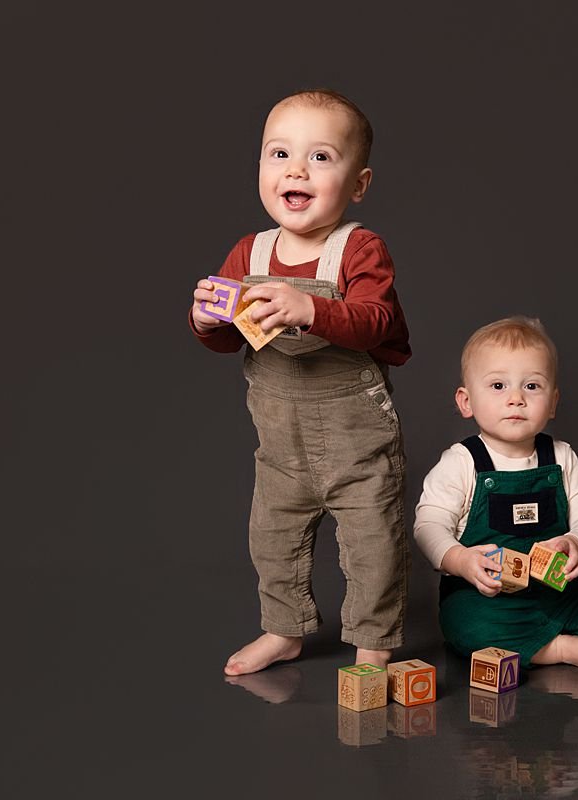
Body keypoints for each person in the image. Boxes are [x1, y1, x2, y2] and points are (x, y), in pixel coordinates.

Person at [190, 89, 410, 676]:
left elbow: (378, 321)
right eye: (279, 153)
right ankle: (283, 630)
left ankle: (373, 640)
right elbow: (227, 339)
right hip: (280, 447)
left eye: (320, 158)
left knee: (372, 544)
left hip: (356, 444)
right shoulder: (250, 251)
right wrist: (206, 320)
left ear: (358, 183)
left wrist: (309, 309)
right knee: (272, 539)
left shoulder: (358, 248)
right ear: (260, 169)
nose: (295, 169)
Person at [413, 316, 578, 692]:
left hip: (560, 596)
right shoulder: (461, 462)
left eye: (532, 386)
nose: (516, 398)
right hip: (488, 602)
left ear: (553, 401)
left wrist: (576, 543)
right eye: (497, 385)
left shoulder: (561, 457)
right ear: (466, 401)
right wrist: (460, 559)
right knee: (468, 626)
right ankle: (556, 648)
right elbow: (428, 526)